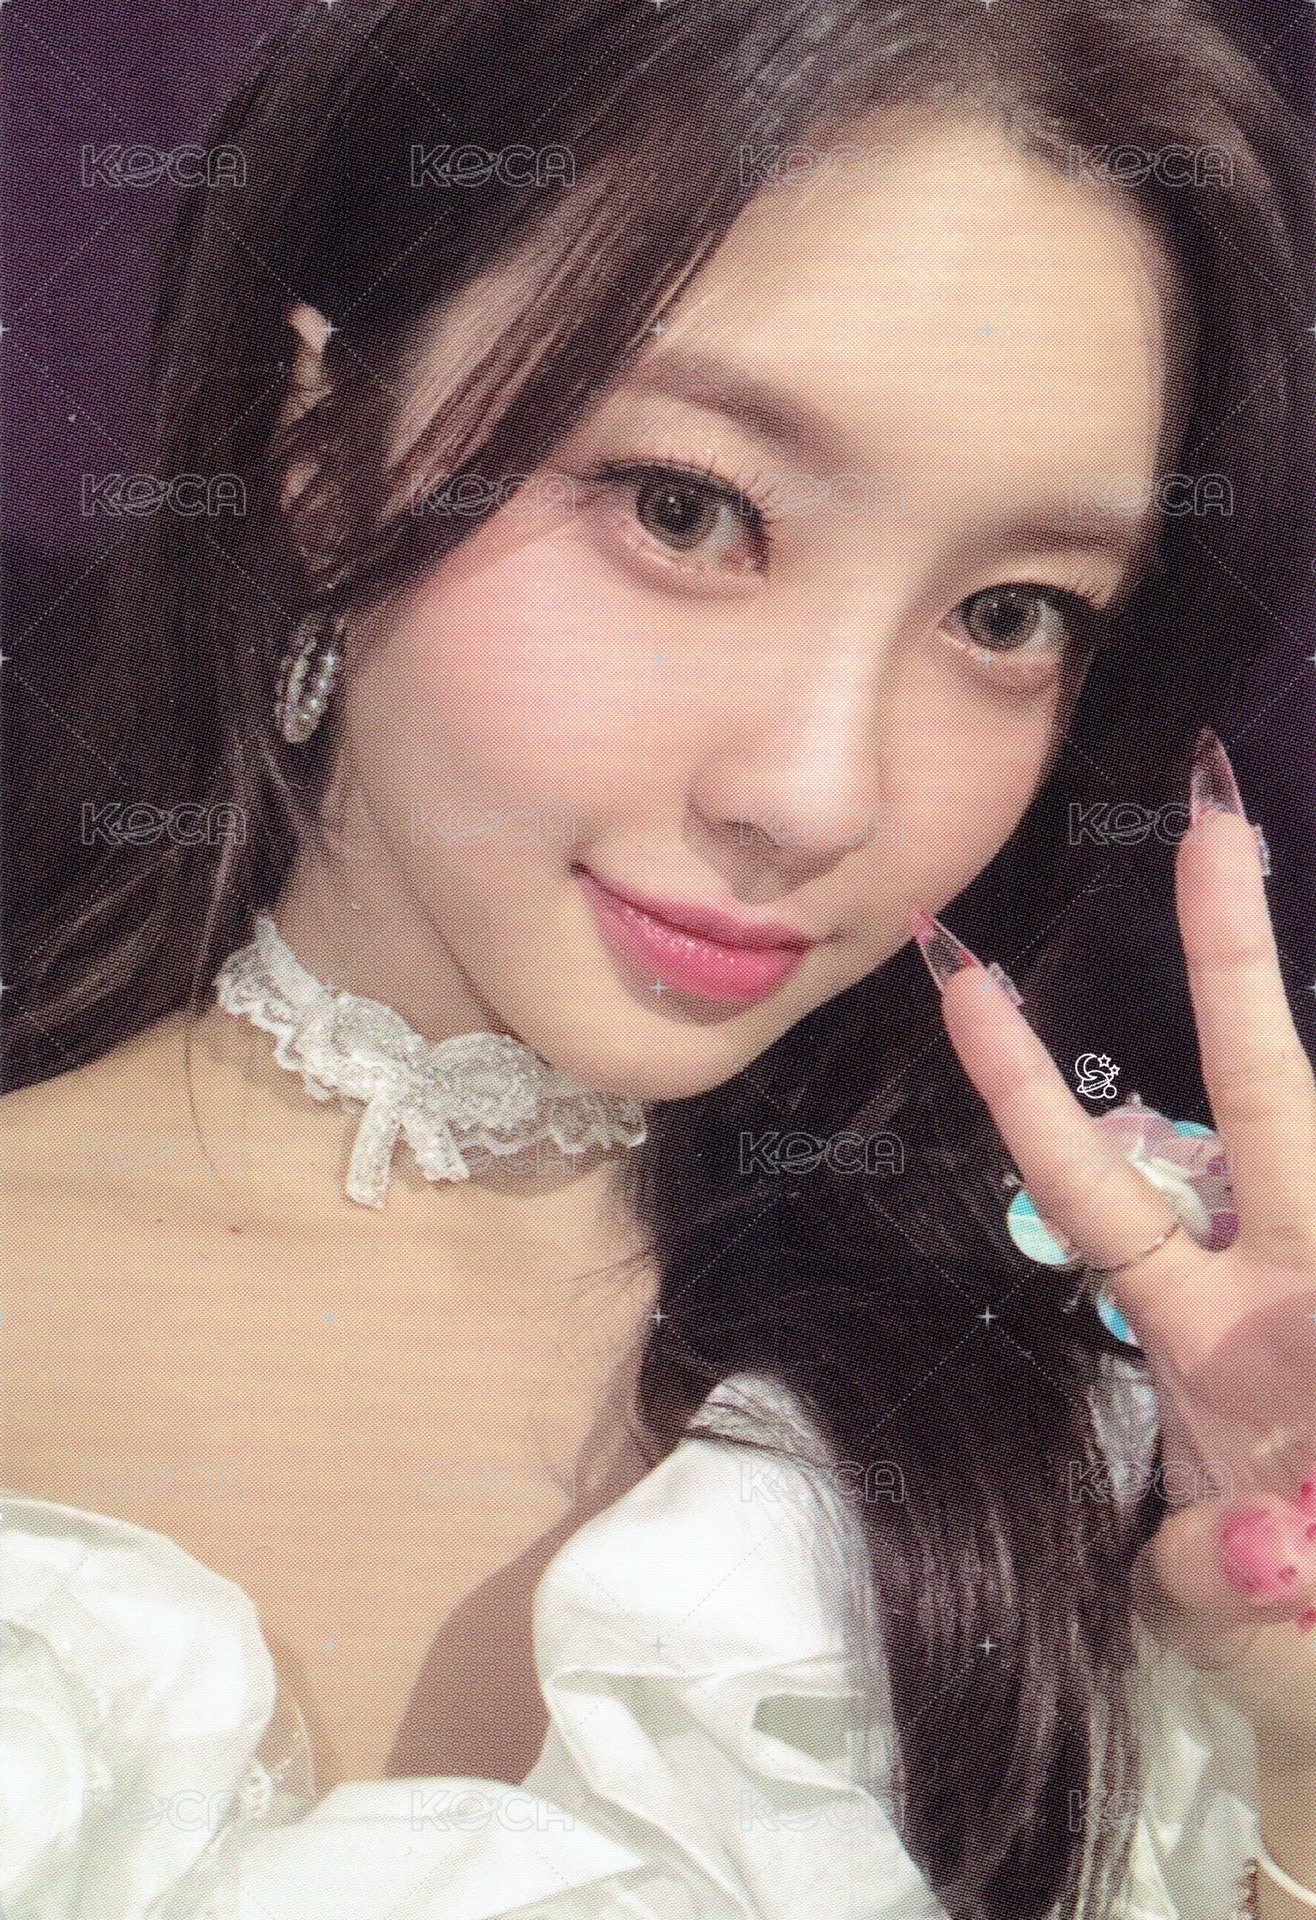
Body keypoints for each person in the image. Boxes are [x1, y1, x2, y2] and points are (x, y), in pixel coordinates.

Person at [2, 2, 1313, 1915]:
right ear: (322, 448)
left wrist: (1296, 1776)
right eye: (688, 510)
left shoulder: (1131, 1406)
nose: (818, 794)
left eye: (1010, 613)